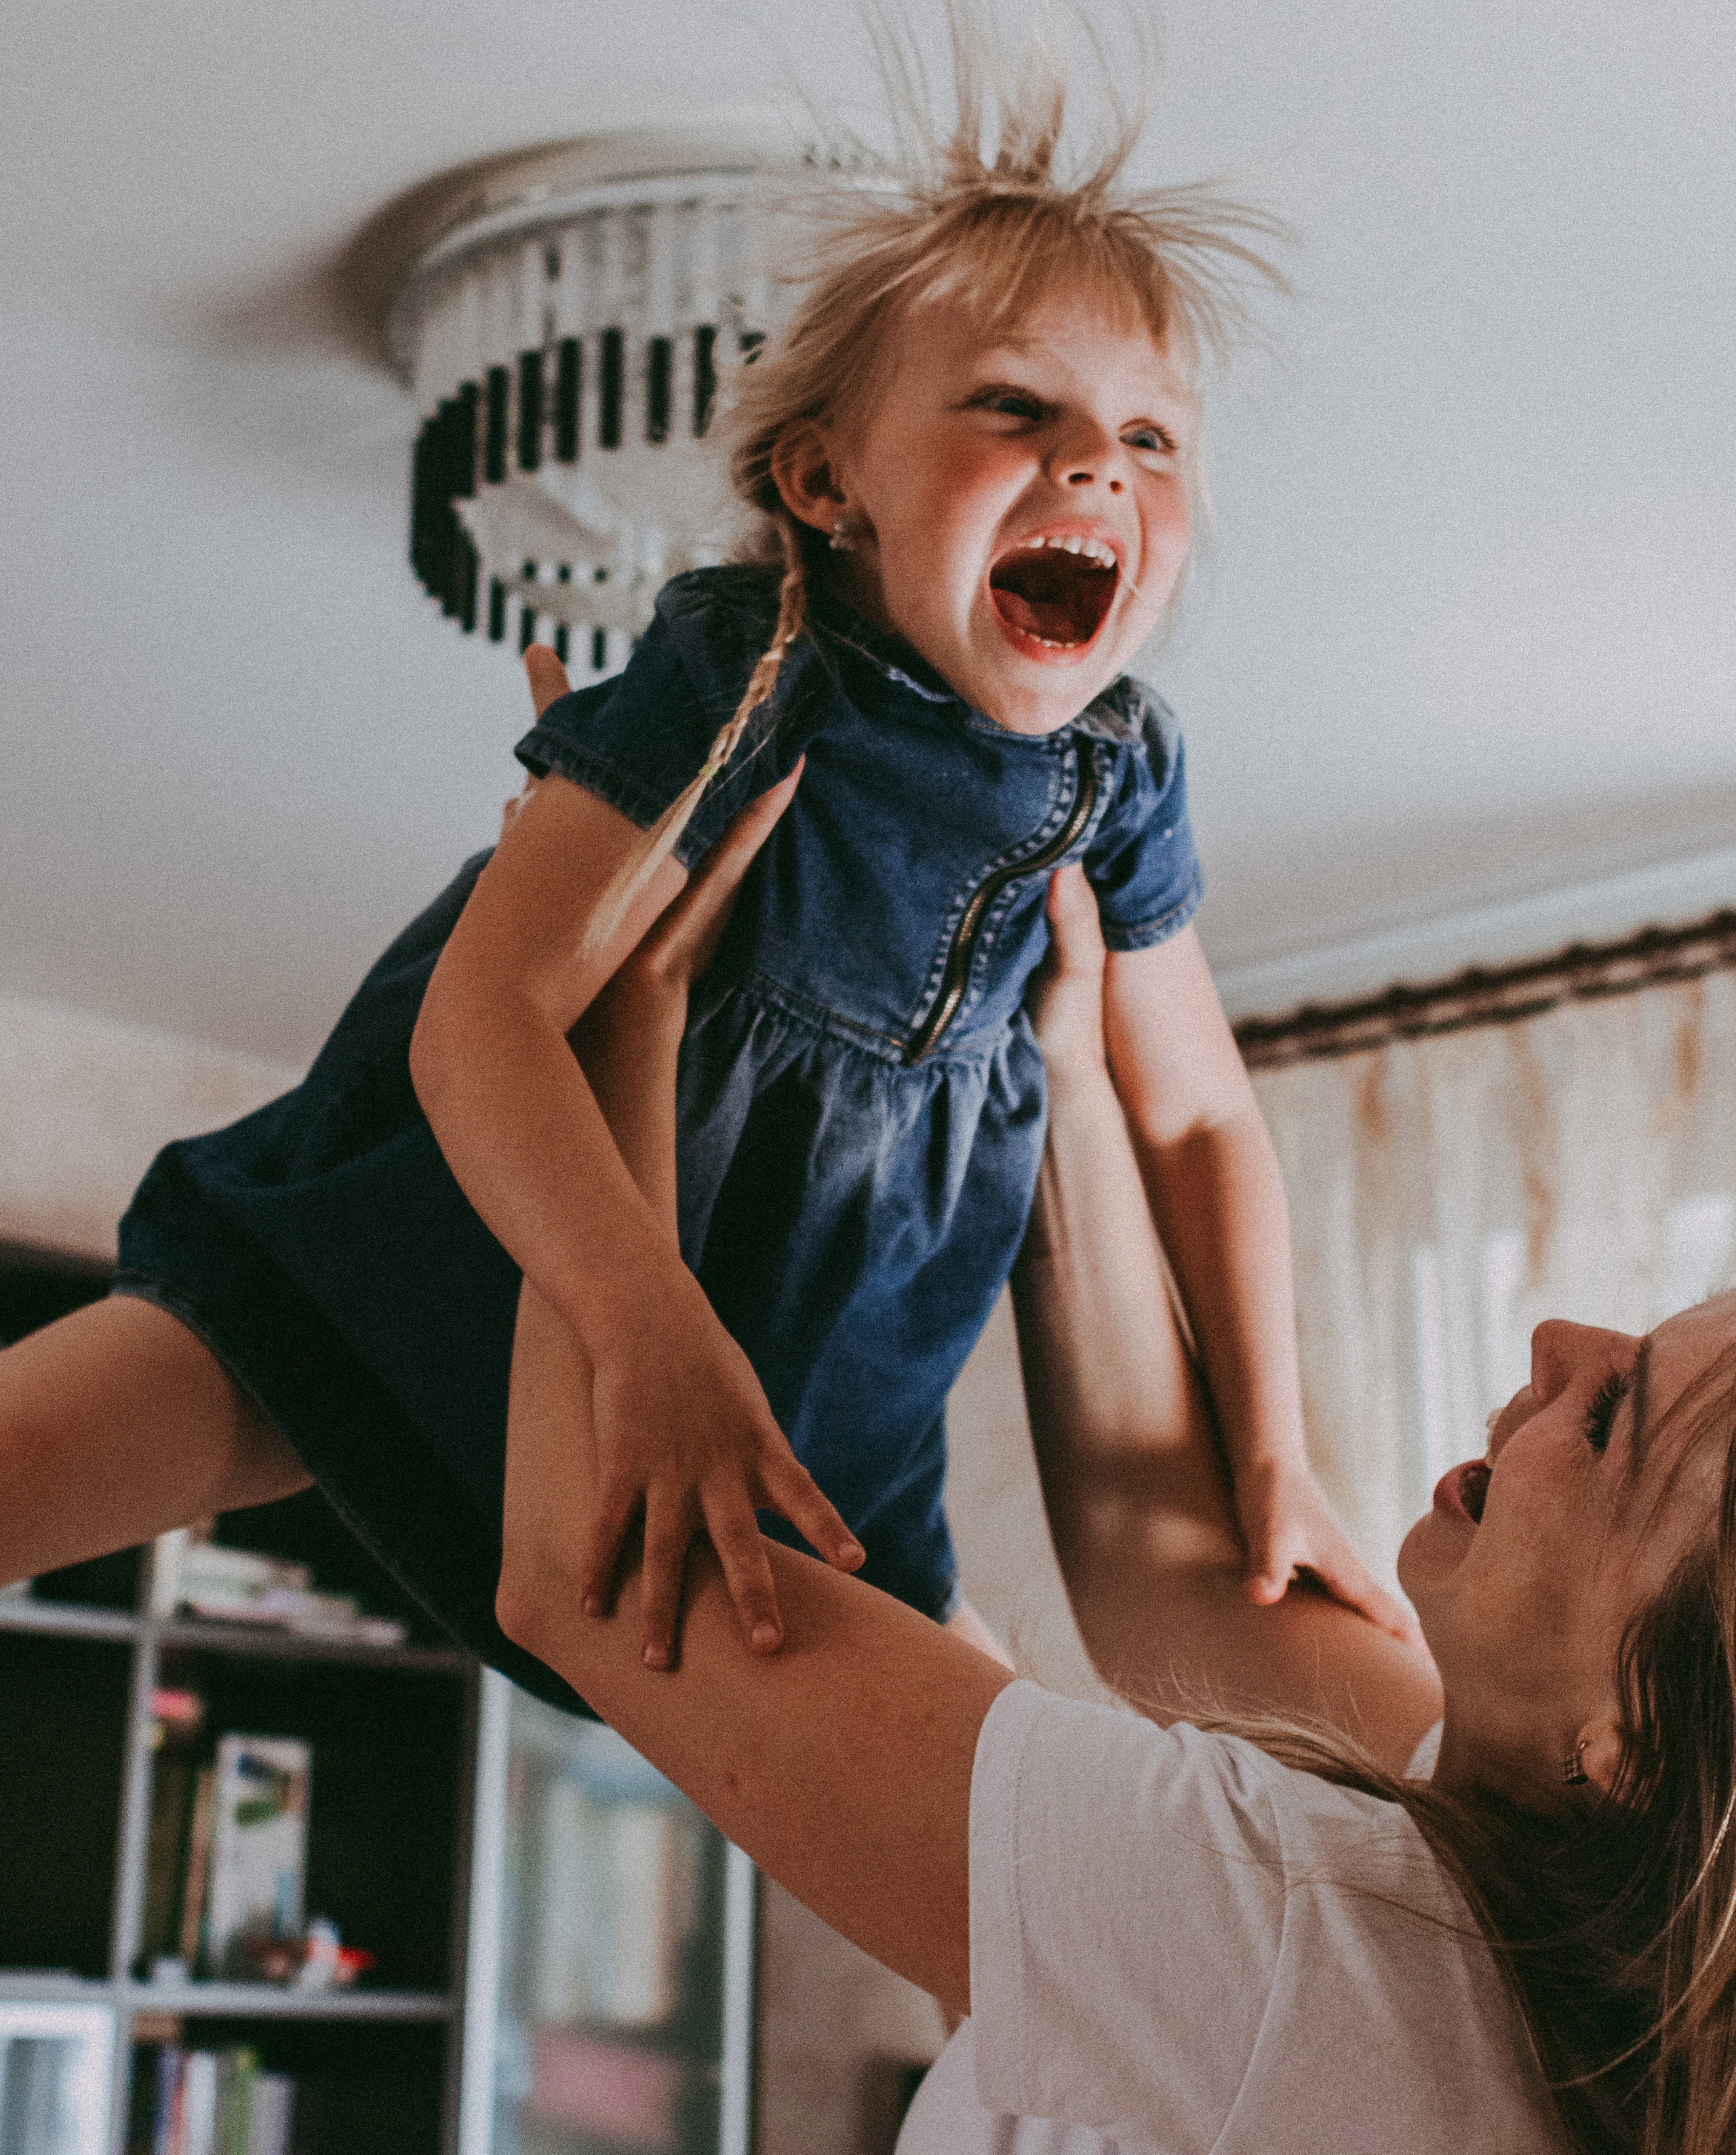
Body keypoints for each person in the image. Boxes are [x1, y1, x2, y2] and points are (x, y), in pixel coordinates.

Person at [0, 0, 1406, 1700]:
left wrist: (1273, 1448)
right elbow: (486, 1018)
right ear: (824, 486)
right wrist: (640, 1320)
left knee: (1023, 1827)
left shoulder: (1118, 773)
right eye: (1012, 411)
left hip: (813, 1391)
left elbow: (1192, 1117)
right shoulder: (746, 666)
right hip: (440, 1240)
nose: (1094, 472)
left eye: (1146, 437)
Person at [495, 803, 1736, 2155]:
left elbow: (591, 1579)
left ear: (1625, 1737)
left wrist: (609, 1016)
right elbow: (1175, 1575)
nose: (1561, 1339)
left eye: (1616, 1417)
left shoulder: (1303, 1939)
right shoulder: (1539, 1895)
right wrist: (1062, 1080)